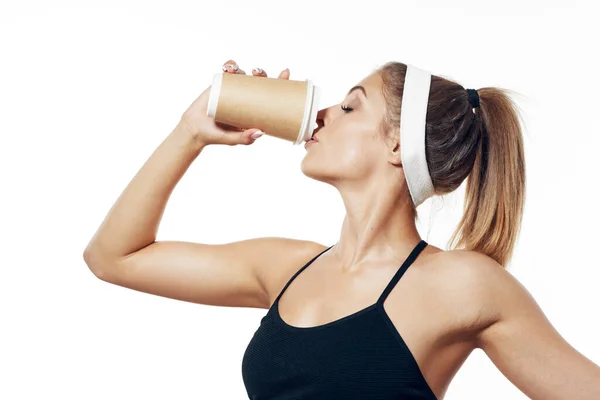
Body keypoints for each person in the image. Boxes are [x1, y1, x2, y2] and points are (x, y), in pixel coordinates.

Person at [83, 59, 600, 399]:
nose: (323, 114)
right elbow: (113, 258)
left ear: (397, 145)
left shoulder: (462, 283)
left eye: (351, 105)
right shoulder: (285, 267)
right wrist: (190, 132)